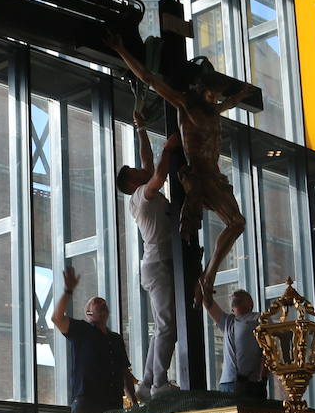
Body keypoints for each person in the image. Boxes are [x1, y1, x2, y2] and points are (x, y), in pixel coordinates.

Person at [108, 34, 258, 296]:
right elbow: (149, 78)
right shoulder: (186, 105)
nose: (214, 98)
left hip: (215, 175)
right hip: (200, 176)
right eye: (211, 94)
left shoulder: (213, 109)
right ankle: (207, 279)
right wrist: (121, 48)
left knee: (237, 223)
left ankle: (207, 277)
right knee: (237, 223)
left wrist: (141, 128)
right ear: (202, 90)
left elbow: (146, 162)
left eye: (216, 96)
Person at [118, 112, 181, 400]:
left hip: (156, 265)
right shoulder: (143, 195)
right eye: (134, 171)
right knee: (168, 325)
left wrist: (141, 128)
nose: (140, 168)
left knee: (163, 326)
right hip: (158, 265)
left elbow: (147, 164)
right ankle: (159, 384)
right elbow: (157, 173)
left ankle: (147, 382)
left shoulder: (140, 194)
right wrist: (168, 148)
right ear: (132, 183)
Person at [50, 267, 137, 413]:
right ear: (88, 313)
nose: (103, 303)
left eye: (104, 303)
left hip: (113, 404)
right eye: (97, 302)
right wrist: (68, 291)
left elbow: (125, 373)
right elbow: (57, 318)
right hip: (87, 404)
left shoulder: (116, 339)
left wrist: (134, 403)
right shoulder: (82, 330)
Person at [196, 282, 267, 399]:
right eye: (233, 296)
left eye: (240, 296)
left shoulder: (258, 318)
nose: (234, 295)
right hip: (227, 383)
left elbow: (268, 349)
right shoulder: (228, 321)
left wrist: (263, 378)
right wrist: (205, 292)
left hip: (250, 383)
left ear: (250, 303)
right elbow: (209, 305)